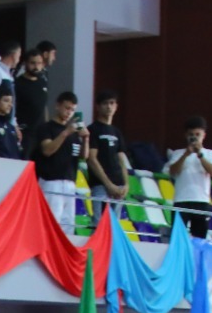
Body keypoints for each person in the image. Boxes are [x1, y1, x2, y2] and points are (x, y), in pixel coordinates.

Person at [34, 93, 88, 228]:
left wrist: (86, 139)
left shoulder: (73, 133)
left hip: (70, 182)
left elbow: (84, 157)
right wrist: (65, 133)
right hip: (51, 181)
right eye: (66, 108)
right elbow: (47, 150)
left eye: (72, 110)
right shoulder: (47, 128)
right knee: (51, 224)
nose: (69, 113)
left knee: (67, 225)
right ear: (58, 106)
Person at [84, 91, 130, 216]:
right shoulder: (92, 129)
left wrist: (126, 184)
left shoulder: (117, 132)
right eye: (105, 103)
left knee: (114, 228)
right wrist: (108, 184)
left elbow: (121, 159)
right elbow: (92, 159)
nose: (109, 106)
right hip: (100, 185)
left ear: (116, 106)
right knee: (100, 226)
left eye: (112, 103)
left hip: (118, 186)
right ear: (97, 107)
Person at [12, 49, 49, 141]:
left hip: (41, 132)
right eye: (33, 63)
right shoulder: (17, 84)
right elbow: (12, 108)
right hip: (24, 132)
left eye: (39, 63)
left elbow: (44, 105)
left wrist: (47, 125)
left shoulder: (43, 81)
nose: (36, 67)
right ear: (25, 64)